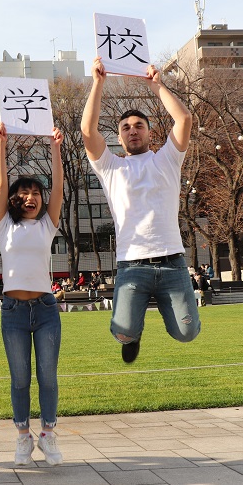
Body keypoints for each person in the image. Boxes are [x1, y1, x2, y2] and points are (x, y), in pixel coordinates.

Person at [81, 56, 201, 364]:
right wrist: (98, 83)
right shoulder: (111, 167)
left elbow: (184, 120)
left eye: (139, 126)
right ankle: (132, 335)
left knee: (187, 333)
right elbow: (87, 129)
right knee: (123, 332)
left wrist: (156, 85)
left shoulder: (167, 161)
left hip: (172, 262)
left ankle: (160, 313)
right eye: (125, 127)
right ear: (119, 137)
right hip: (132, 266)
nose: (133, 131)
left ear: (150, 133)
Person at [0, 121, 65, 466]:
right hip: (14, 313)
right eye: (24, 194)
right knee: (20, 377)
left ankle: (48, 433)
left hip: (46, 309)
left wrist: (55, 147)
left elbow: (59, 191)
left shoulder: (47, 224)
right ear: (14, 201)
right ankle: (23, 435)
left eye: (36, 193)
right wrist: (1, 144)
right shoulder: (3, 225)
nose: (31, 197)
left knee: (47, 376)